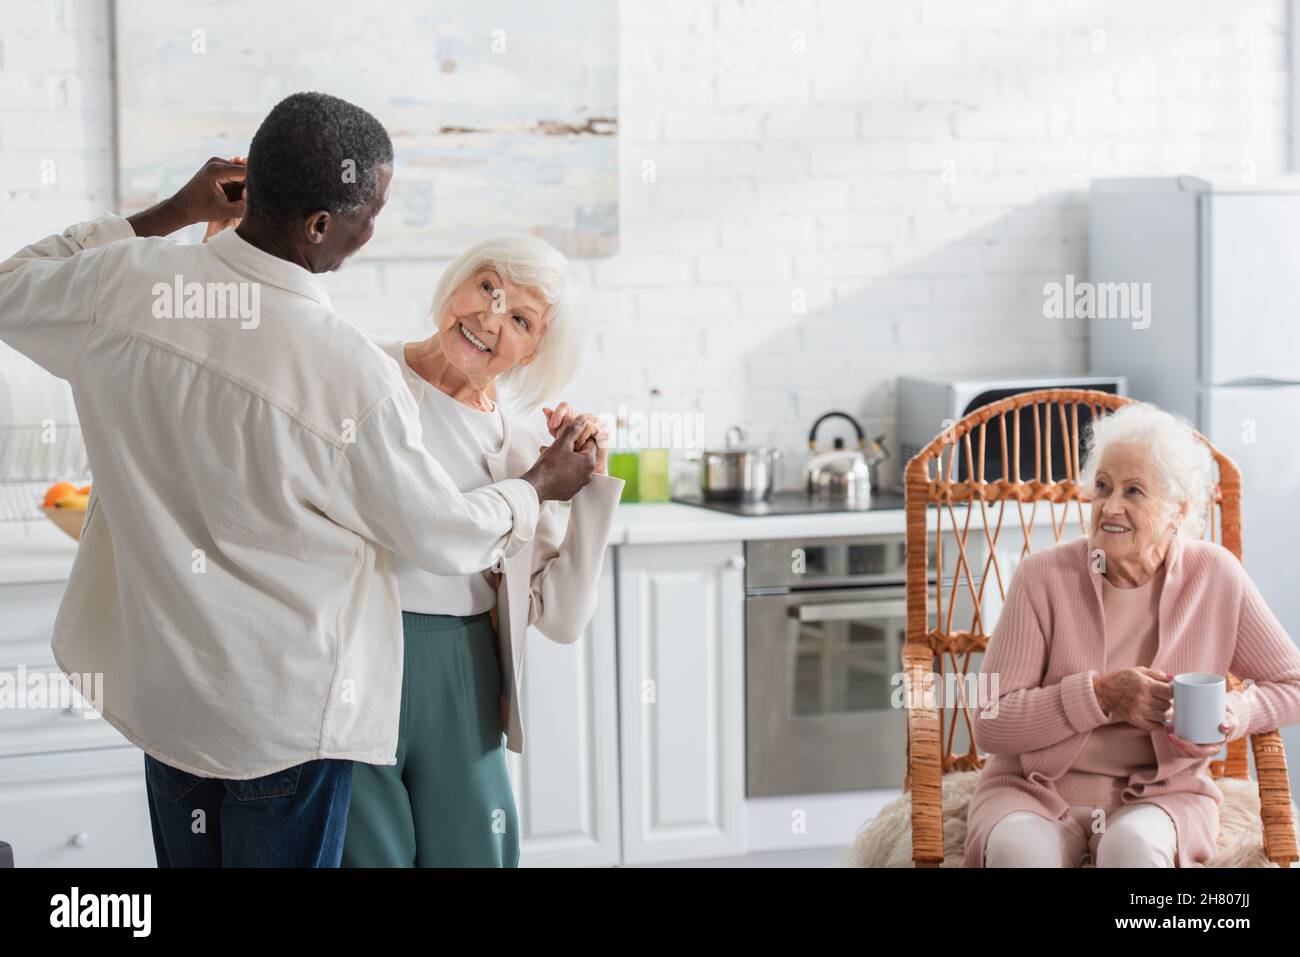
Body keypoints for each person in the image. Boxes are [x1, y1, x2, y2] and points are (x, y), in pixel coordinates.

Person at [0, 91, 596, 867]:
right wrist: (539, 487)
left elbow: (13, 285)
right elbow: (441, 530)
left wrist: (164, 215)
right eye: (369, 213)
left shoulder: (123, 286)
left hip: (165, 699)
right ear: (321, 226)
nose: (373, 228)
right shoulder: (346, 370)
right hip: (283, 725)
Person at [341, 236, 623, 867]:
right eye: (488, 287)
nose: (490, 318)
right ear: (458, 283)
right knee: (365, 854)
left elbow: (562, 619)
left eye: (521, 319)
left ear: (534, 353)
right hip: (356, 653)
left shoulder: (524, 453)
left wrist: (593, 491)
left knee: (476, 852)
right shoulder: (360, 374)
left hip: (464, 673)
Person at [963, 401, 1300, 867]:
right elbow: (991, 721)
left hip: (1162, 798)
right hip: (1033, 792)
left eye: (1134, 491)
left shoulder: (1215, 576)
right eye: (1102, 486)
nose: (1110, 506)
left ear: (1178, 511)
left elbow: (1293, 684)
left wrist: (1233, 712)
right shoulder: (1042, 577)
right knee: (1019, 852)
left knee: (1134, 849)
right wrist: (1100, 696)